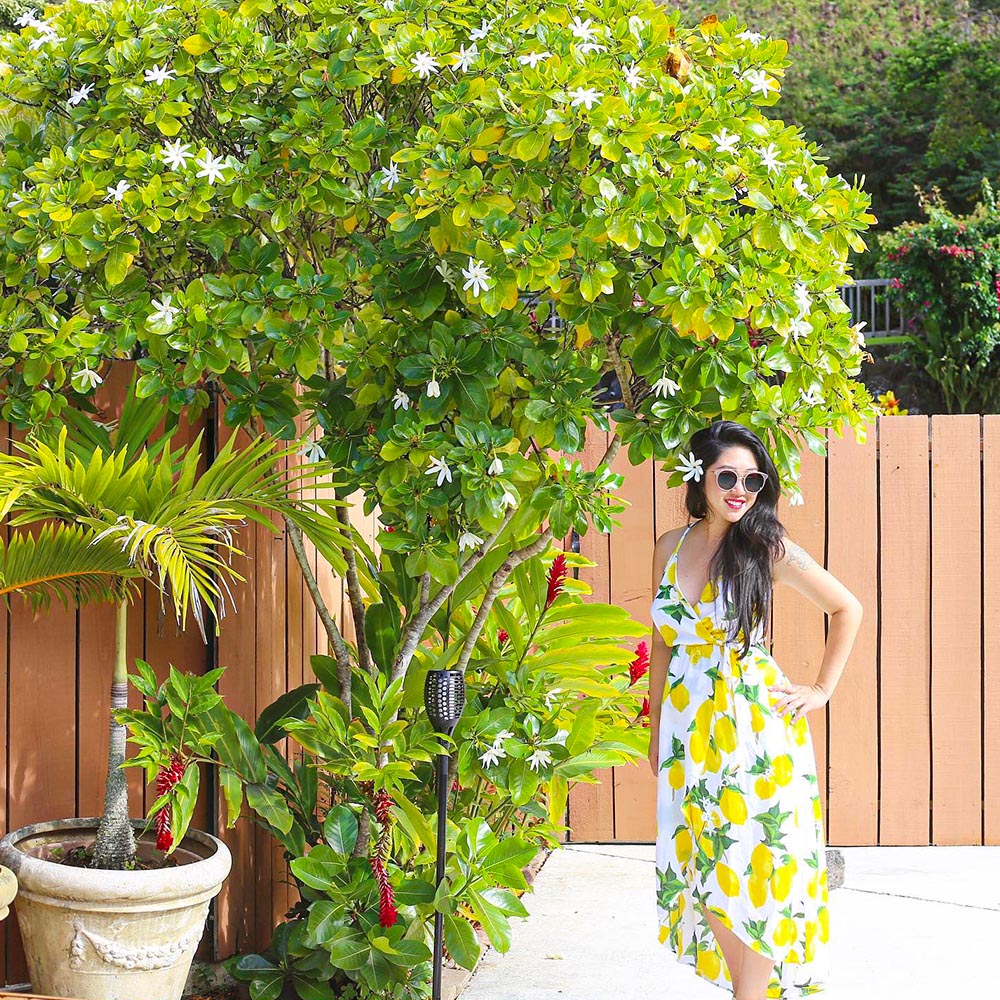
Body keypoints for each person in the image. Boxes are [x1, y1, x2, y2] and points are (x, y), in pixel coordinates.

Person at [648, 420, 862, 1000]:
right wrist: (654, 730)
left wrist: (820, 689)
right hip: (686, 732)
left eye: (752, 478)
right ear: (700, 475)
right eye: (727, 476)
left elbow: (848, 609)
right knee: (703, 864)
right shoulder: (669, 546)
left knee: (754, 868)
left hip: (755, 729)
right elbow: (664, 644)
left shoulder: (766, 547)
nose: (740, 488)